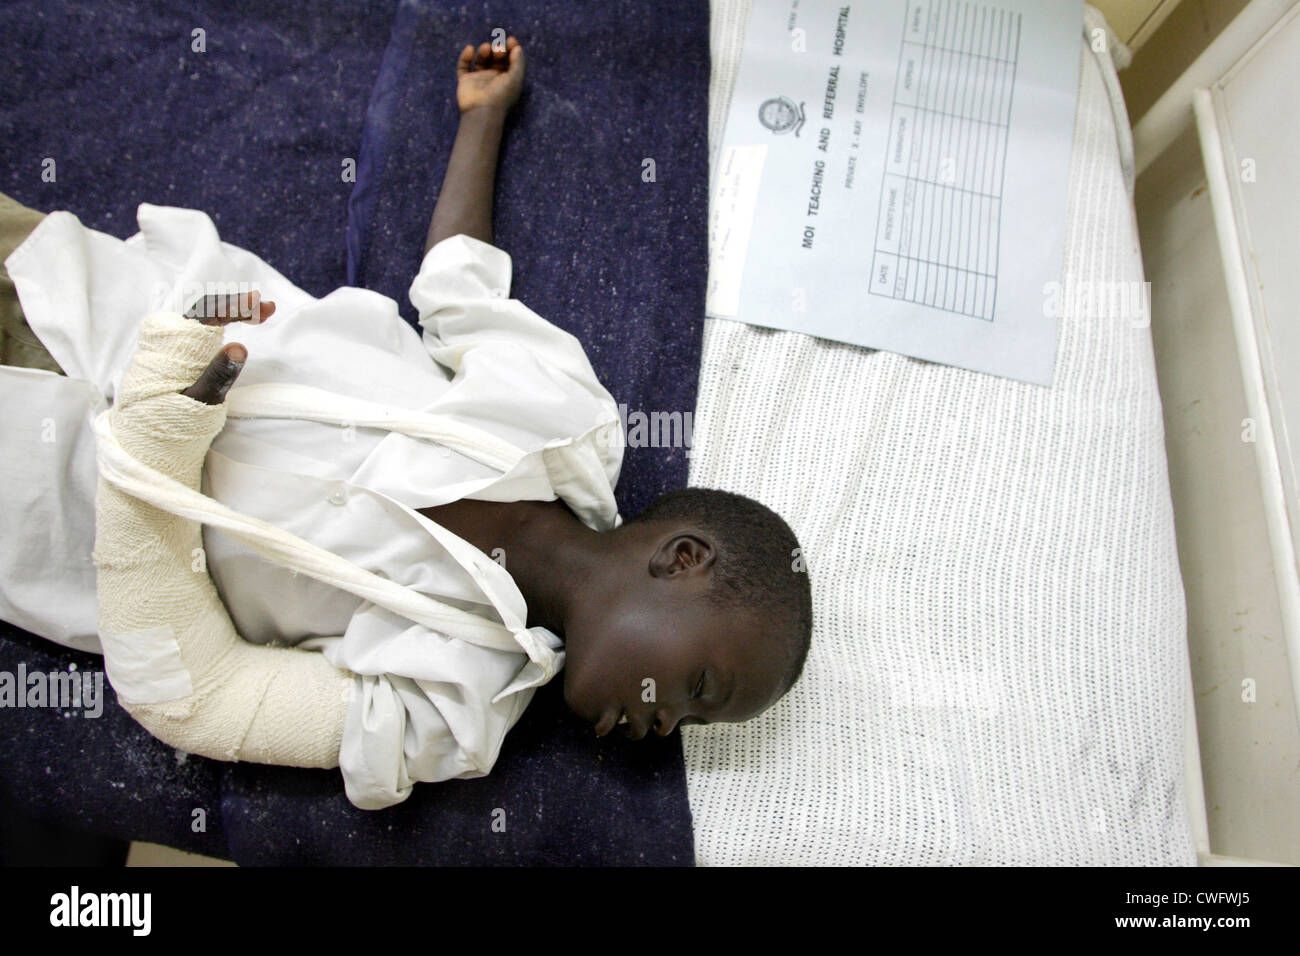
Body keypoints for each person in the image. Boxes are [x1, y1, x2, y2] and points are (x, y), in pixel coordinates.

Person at [0, 36, 812, 809]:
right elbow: (460, 286)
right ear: (682, 560)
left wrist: (156, 452)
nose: (669, 726)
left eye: (692, 725)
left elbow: (197, 698)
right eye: (701, 691)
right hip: (118, 301)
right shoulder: (568, 415)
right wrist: (484, 116)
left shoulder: (459, 708)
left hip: (43, 506)